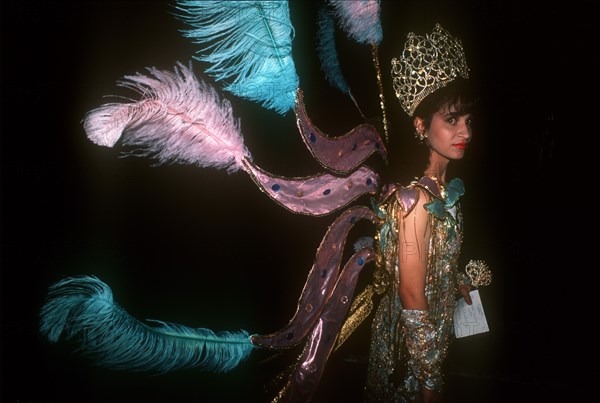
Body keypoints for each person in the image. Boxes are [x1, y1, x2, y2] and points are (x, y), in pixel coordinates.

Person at [363, 24, 479, 402]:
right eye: (452, 120)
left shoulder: (447, 192)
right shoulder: (414, 201)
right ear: (420, 125)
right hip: (409, 355)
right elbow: (412, 294)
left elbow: (430, 262)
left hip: (432, 338)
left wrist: (456, 278)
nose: (465, 131)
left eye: (468, 121)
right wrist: (429, 379)